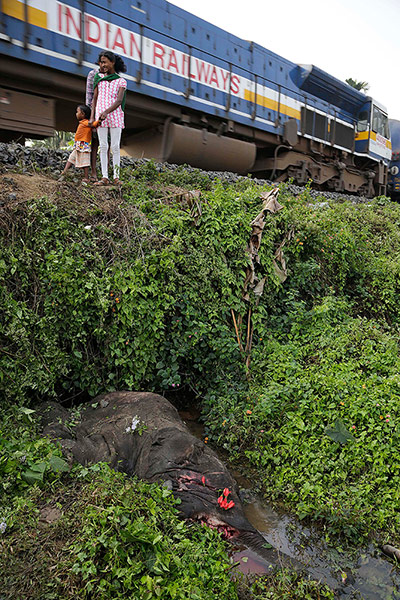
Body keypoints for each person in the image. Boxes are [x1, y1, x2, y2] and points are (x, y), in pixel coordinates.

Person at [89, 50, 127, 186]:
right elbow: (94, 99)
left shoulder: (121, 81)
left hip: (115, 116)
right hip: (100, 117)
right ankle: (105, 177)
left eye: (105, 62)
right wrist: (93, 117)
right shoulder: (98, 78)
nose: (102, 65)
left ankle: (116, 177)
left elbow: (118, 101)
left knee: (115, 147)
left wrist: (106, 112)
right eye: (101, 62)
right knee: (103, 146)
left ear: (112, 62)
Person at [58, 105, 99, 184]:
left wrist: (100, 120)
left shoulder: (87, 122)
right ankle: (64, 172)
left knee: (85, 161)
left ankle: (86, 177)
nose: (76, 114)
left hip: (84, 145)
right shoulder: (82, 123)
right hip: (78, 145)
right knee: (71, 158)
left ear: (83, 114)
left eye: (78, 112)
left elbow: (94, 124)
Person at [85, 55, 106, 182]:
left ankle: (105, 174)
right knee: (95, 143)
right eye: (102, 63)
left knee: (106, 144)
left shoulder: (113, 77)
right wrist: (90, 116)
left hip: (107, 114)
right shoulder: (93, 75)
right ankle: (93, 172)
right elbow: (90, 97)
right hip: (95, 112)